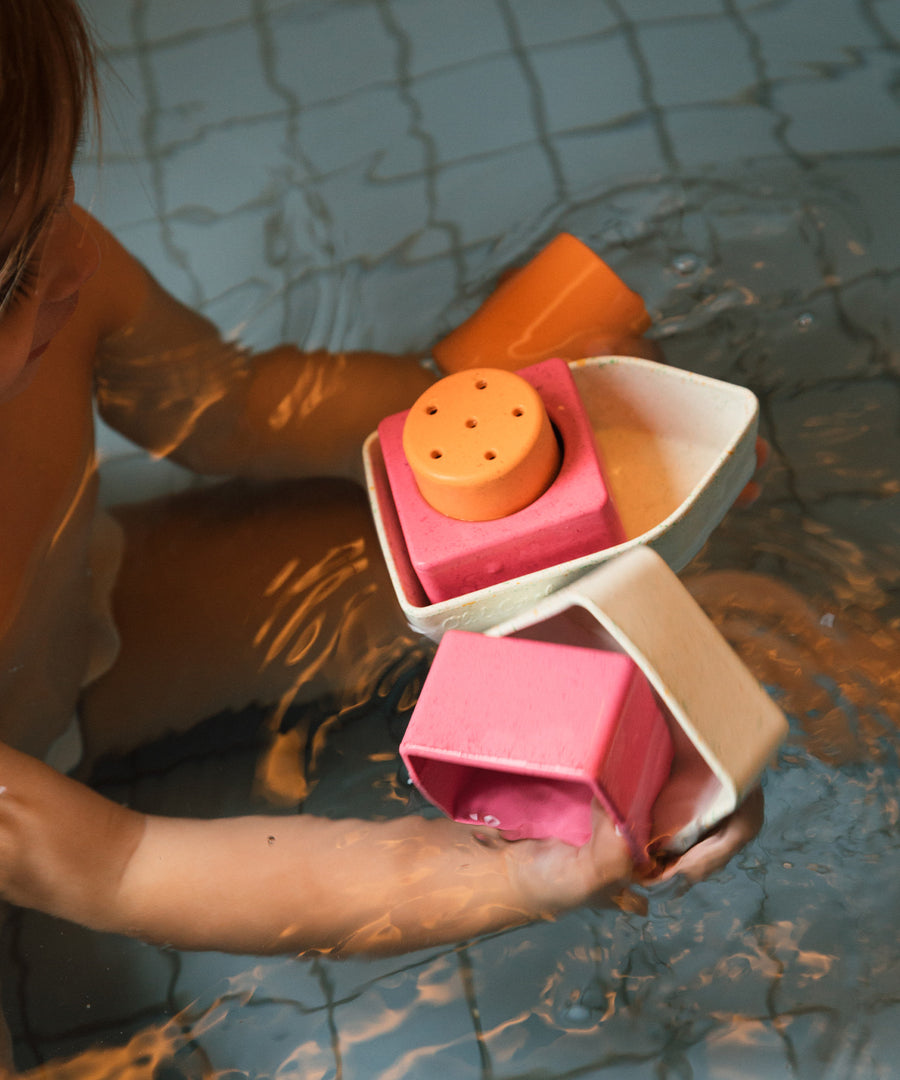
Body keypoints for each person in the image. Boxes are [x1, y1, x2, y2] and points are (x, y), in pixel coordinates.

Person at [0, 0, 763, 1058]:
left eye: (57, 197)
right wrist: (513, 878)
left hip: (77, 634)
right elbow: (125, 866)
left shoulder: (56, 266)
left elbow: (233, 407)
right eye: (10, 271)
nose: (71, 261)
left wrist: (519, 431)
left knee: (489, 576)